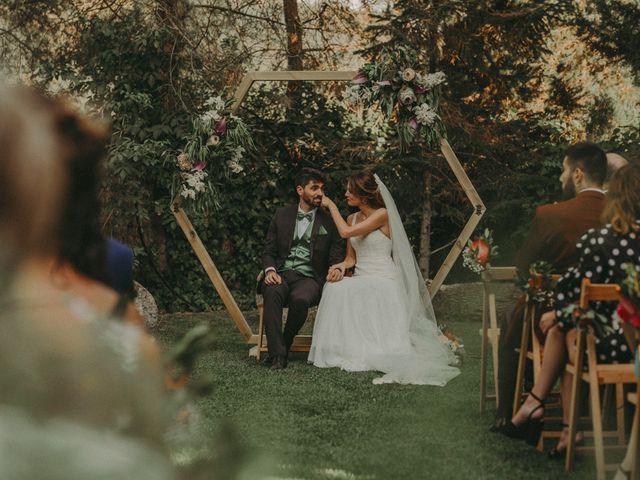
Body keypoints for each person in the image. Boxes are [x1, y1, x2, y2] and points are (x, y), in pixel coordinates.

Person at [500, 164, 640, 458]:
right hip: (629, 337)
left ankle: (538, 407)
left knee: (564, 328)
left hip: (620, 346)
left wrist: (559, 315)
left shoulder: (601, 241)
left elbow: (569, 293)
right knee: (569, 329)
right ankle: (562, 428)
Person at [493, 142, 609, 428]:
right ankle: (590, 410)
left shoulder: (551, 214)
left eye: (563, 170)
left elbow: (523, 268)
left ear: (578, 174)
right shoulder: (624, 217)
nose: (560, 178)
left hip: (555, 317)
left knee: (512, 321)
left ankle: (507, 413)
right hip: (612, 320)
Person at [308, 171, 460, 386]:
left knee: (369, 289)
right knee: (335, 287)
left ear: (364, 195)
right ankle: (344, 348)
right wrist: (341, 266)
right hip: (362, 275)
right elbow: (351, 258)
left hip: (384, 277)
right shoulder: (351, 218)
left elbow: (344, 233)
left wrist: (331, 206)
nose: (345, 194)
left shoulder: (381, 214)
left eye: (350, 191)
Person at [260, 168, 345, 369]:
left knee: (300, 300)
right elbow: (268, 250)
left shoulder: (329, 220)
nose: (319, 193)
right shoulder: (282, 215)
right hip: (281, 272)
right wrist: (270, 270)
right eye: (314, 188)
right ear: (300, 190)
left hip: (310, 278)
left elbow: (336, 254)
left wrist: (337, 267)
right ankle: (278, 356)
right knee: (271, 292)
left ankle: (284, 343)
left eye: (322, 189)